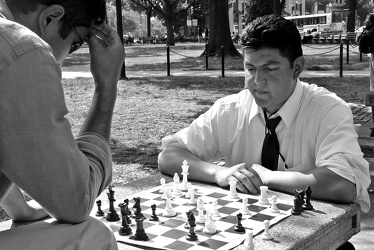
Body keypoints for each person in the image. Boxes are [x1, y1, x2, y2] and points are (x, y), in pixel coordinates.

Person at [159, 14, 370, 215]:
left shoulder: (328, 110)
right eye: (250, 68)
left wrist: (267, 177)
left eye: (269, 69)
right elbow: (169, 155)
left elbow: (344, 184)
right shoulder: (230, 109)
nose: (257, 81)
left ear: (297, 68)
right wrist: (218, 173)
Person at [0, 0, 124, 249]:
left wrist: (21, 210)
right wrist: (106, 85)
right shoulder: (22, 47)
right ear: (50, 17)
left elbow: (8, 137)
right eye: (77, 43)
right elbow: (75, 201)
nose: (69, 54)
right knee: (94, 235)